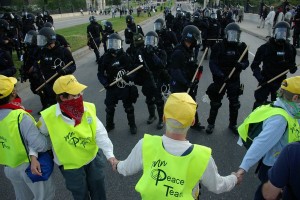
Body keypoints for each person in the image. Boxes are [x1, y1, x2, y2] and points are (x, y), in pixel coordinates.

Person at [113, 93, 240, 199]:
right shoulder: (202, 157)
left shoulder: (145, 144)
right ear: (192, 121)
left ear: (163, 118)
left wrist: (116, 164)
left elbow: (126, 169)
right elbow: (217, 186)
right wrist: (234, 178)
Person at [38, 75, 117, 200]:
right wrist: (33, 155)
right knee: (80, 194)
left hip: (92, 159)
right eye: (75, 94)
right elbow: (39, 137)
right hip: (70, 166)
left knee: (99, 191)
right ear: (62, 97)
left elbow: (100, 132)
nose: (80, 96)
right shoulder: (47, 117)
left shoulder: (87, 108)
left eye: (80, 92)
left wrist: (110, 155)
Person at [236, 76, 300, 200]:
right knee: (266, 195)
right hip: (275, 166)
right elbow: (260, 144)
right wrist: (243, 168)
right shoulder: (279, 119)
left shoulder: (286, 109)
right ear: (295, 98)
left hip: (285, 161)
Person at [0, 75, 55, 200]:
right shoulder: (19, 116)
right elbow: (41, 145)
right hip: (30, 167)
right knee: (44, 197)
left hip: (9, 168)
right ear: (13, 93)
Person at [205, 22, 249, 134]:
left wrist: (242, 65)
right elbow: (212, 63)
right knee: (215, 102)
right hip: (221, 79)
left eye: (236, 34)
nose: (234, 37)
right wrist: (220, 75)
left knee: (234, 103)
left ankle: (233, 124)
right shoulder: (218, 46)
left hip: (234, 80)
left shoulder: (242, 47)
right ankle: (211, 123)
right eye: (231, 34)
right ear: (226, 34)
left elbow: (246, 61)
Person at [97, 33, 139, 134]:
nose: (114, 46)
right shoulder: (104, 58)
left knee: (129, 107)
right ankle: (110, 125)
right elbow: (100, 74)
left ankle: (132, 125)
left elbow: (134, 70)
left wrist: (128, 77)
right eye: (111, 44)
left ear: (120, 44)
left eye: (116, 44)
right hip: (111, 87)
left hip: (124, 86)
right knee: (109, 108)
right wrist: (105, 83)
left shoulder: (125, 56)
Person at [251, 21, 297, 110]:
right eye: (279, 32)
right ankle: (254, 123)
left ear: (287, 34)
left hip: (281, 82)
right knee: (259, 104)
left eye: (284, 33)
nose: (281, 35)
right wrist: (260, 78)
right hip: (266, 79)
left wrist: (292, 67)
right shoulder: (265, 47)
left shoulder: (290, 49)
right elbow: (254, 65)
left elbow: (292, 68)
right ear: (275, 32)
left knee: (279, 107)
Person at [169, 25, 205, 132]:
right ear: (189, 37)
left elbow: (189, 65)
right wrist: (186, 82)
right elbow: (175, 71)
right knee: (180, 107)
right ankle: (176, 128)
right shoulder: (178, 52)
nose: (196, 40)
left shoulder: (190, 50)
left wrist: (197, 71)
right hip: (180, 85)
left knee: (192, 104)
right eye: (195, 37)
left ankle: (194, 123)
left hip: (188, 82)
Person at [133, 31, 168, 129]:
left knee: (159, 100)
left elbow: (162, 65)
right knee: (149, 98)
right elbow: (137, 63)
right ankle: (152, 115)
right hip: (147, 78)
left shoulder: (161, 52)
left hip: (157, 78)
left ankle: (161, 119)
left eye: (152, 41)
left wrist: (153, 54)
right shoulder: (142, 52)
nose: (150, 43)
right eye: (148, 40)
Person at [35, 27, 76, 110]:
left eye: (43, 39)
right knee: (55, 108)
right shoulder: (43, 53)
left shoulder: (63, 51)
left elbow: (73, 66)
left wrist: (65, 70)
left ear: (50, 39)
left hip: (64, 86)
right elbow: (40, 67)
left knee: (68, 107)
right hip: (50, 86)